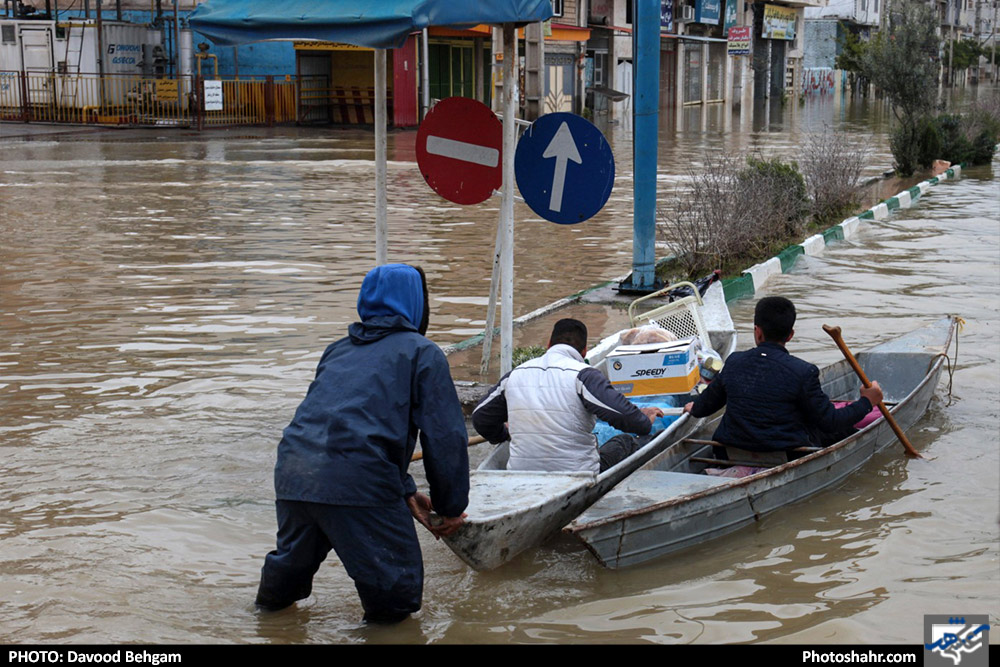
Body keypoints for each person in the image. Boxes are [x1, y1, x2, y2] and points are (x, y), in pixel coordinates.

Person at [254, 263, 470, 624]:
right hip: (358, 478)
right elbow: (445, 437)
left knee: (285, 581)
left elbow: (343, 419)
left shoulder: (337, 350)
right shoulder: (421, 352)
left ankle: (264, 626)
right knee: (395, 595)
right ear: (417, 304)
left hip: (295, 471)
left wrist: (404, 488)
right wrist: (450, 506)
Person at [685, 296, 883, 454]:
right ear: (790, 335)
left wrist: (694, 406)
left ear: (757, 332)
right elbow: (830, 422)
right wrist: (867, 402)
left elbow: (703, 408)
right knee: (836, 428)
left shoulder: (734, 362)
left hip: (727, 451)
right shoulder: (804, 372)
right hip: (785, 454)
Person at [472, 318, 663, 474]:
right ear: (584, 351)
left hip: (521, 473)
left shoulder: (514, 375)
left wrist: (505, 435)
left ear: (548, 344)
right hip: (576, 474)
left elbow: (481, 418)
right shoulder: (584, 375)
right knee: (625, 441)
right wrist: (644, 419)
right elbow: (625, 417)